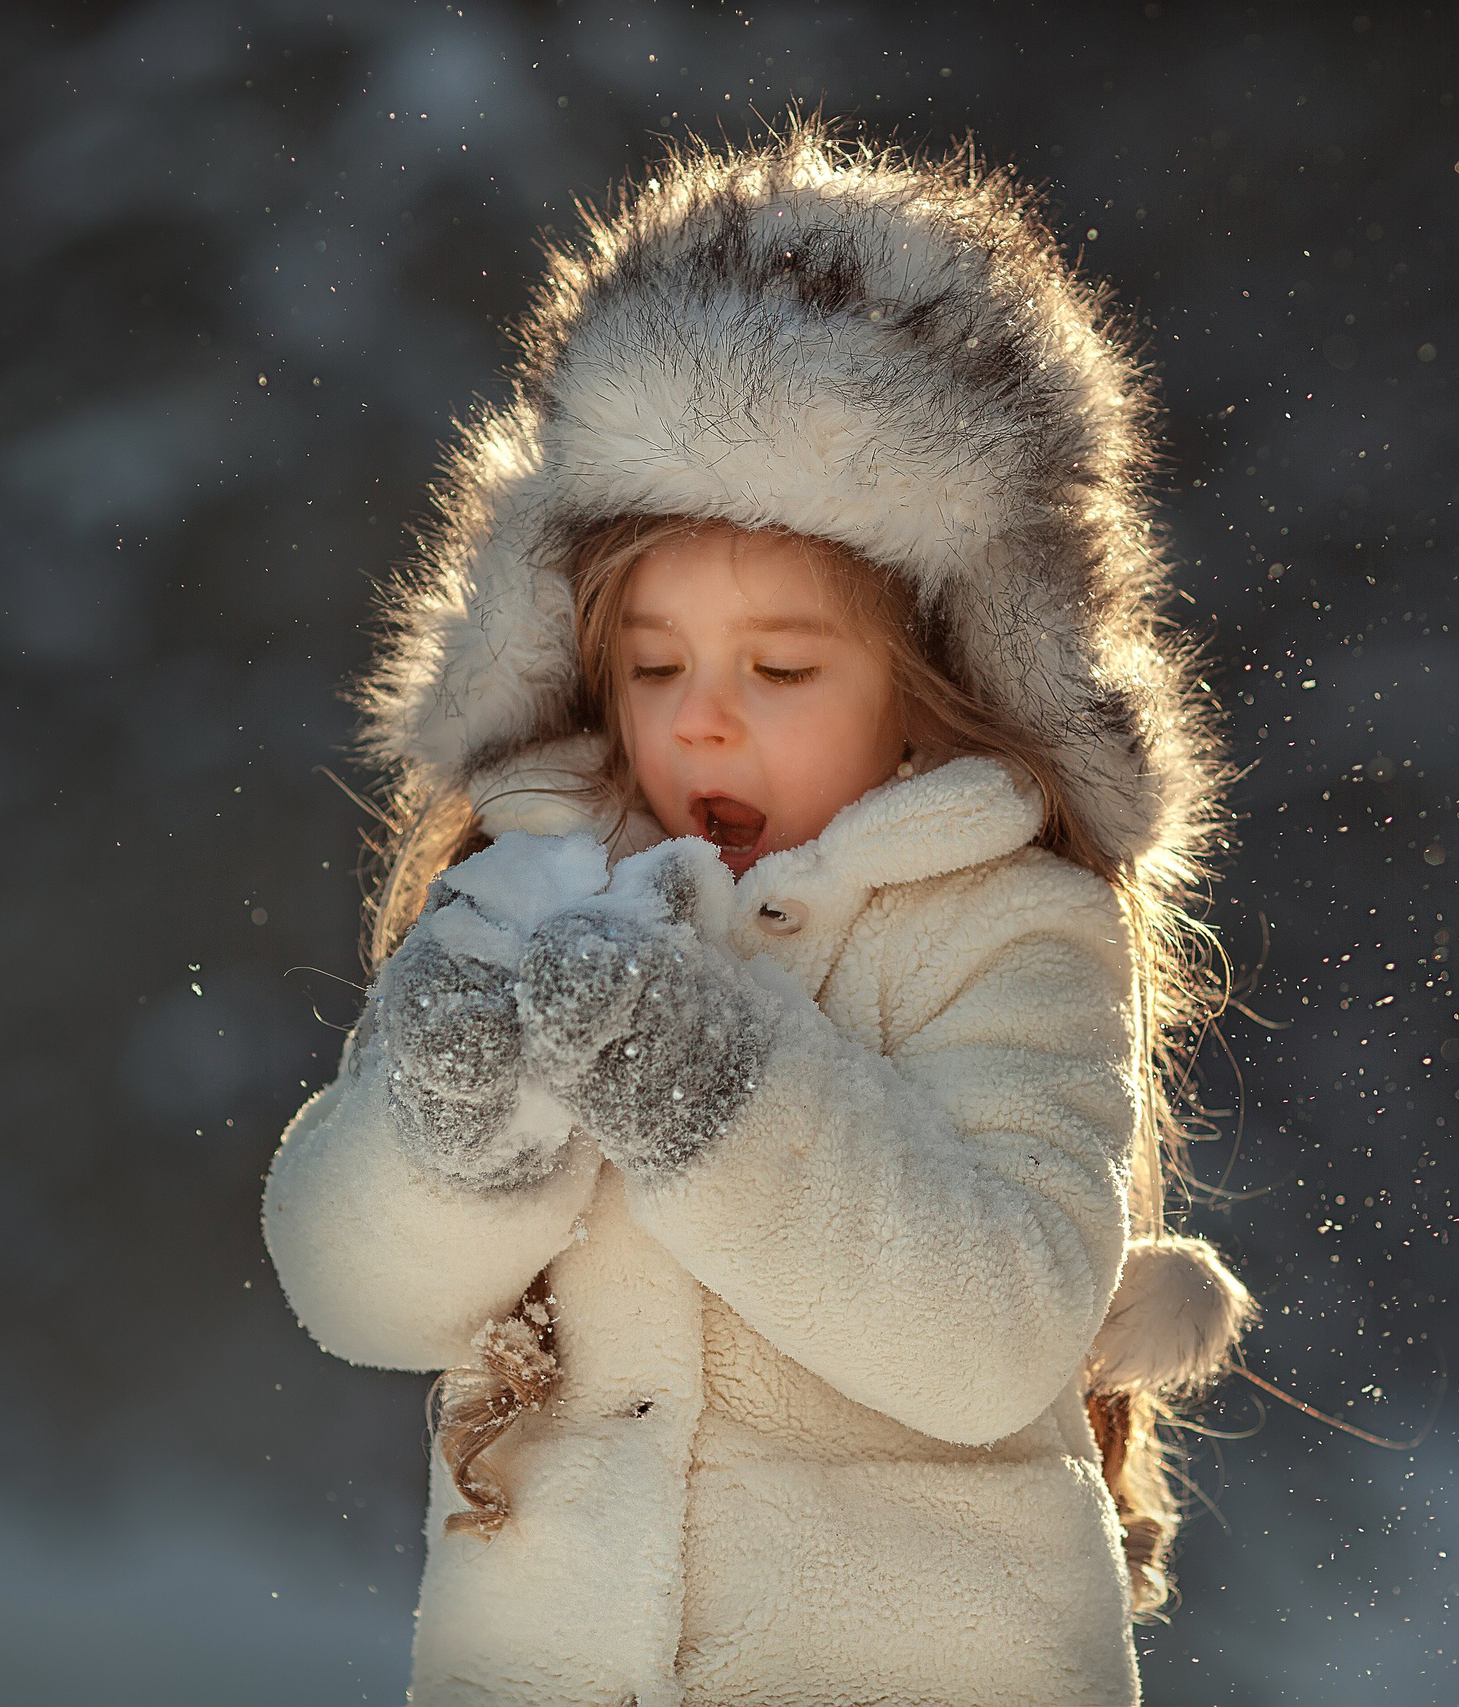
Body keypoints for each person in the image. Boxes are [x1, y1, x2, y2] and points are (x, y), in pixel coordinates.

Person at [263, 122, 1255, 1706]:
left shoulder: (1003, 934)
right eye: (655, 668)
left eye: (780, 671)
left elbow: (992, 1334)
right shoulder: (533, 892)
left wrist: (705, 1091)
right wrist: (453, 1126)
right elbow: (352, 1290)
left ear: (943, 682)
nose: (703, 722)